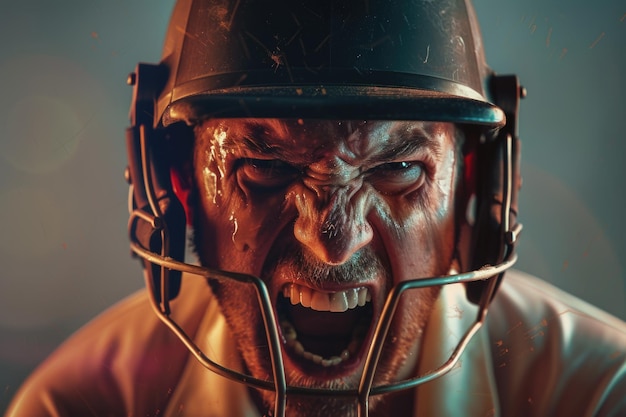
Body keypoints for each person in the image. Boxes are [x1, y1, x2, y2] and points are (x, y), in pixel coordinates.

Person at [5, 0, 626, 416]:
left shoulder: (596, 395)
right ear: (176, 184)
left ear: (472, 186)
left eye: (398, 169)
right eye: (266, 168)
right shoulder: (82, 405)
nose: (333, 241)